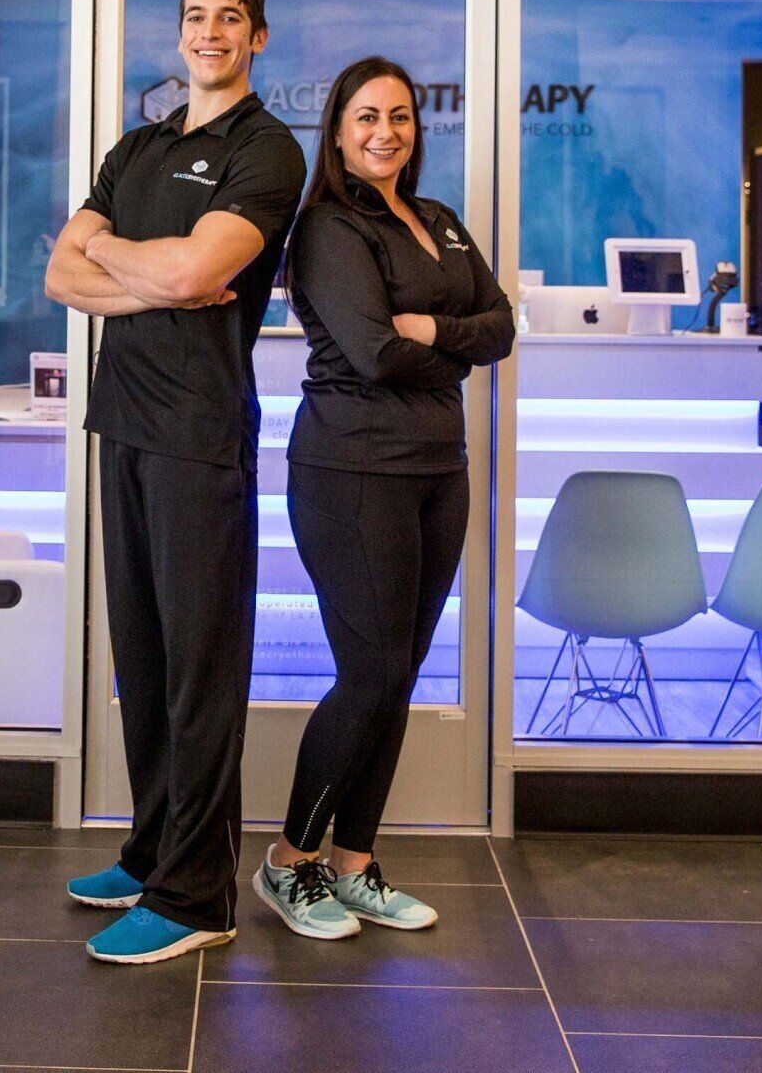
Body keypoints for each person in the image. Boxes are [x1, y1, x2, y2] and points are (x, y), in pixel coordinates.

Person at [44, 0, 306, 965]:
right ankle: (153, 850)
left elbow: (201, 267)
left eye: (230, 17)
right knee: (145, 657)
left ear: (257, 36)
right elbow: (62, 270)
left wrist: (128, 254)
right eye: (196, 15)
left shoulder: (267, 149)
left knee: (200, 667)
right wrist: (154, 273)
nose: (210, 31)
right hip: (122, 422)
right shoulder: (139, 145)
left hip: (200, 434)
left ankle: (197, 894)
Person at [254, 56, 513, 939]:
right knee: (369, 674)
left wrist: (433, 328)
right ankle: (289, 859)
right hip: (353, 471)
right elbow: (371, 352)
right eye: (366, 116)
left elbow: (501, 325)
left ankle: (353, 861)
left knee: (397, 675)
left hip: (440, 470)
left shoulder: (438, 220)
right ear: (336, 130)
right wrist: (454, 352)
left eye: (399, 116)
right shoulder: (328, 227)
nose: (385, 131)